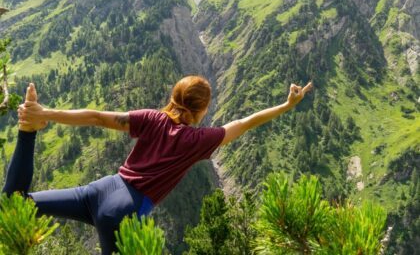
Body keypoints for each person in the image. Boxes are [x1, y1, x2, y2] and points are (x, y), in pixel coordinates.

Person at [5, 75, 312, 254]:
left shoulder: (151, 119)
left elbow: (96, 117)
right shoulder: (199, 140)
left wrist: (46, 113)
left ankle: (27, 131)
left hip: (100, 189)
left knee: (14, 204)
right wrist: (287, 105)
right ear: (202, 108)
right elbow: (245, 122)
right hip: (125, 210)